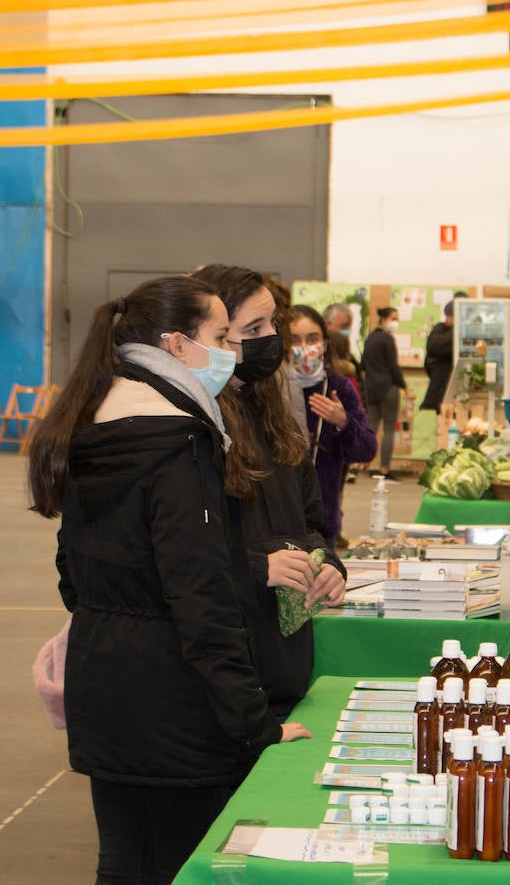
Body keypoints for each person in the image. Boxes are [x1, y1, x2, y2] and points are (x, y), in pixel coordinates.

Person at [26, 276, 311, 883]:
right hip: (175, 701)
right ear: (177, 346)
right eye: (221, 337)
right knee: (182, 863)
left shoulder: (94, 423)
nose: (233, 352)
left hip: (105, 683)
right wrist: (254, 724)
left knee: (127, 859)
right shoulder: (178, 441)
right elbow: (202, 604)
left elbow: (72, 574)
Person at [191, 265, 349, 718]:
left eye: (273, 324)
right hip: (229, 674)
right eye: (253, 328)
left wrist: (329, 566)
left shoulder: (273, 415)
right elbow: (182, 558)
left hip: (284, 669)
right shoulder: (195, 428)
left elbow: (311, 522)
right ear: (213, 337)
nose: (272, 338)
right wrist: (259, 566)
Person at [287, 304, 378, 547]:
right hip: (278, 524)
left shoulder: (339, 386)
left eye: (312, 339)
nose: (305, 348)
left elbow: (367, 449)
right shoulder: (271, 388)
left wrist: (343, 423)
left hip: (323, 523)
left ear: (325, 344)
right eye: (295, 340)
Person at [360, 305, 409, 480]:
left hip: (371, 388)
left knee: (371, 428)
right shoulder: (387, 339)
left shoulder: (370, 338)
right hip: (388, 388)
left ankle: (359, 464)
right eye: (394, 318)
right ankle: (384, 469)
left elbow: (363, 364)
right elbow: (393, 366)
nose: (396, 322)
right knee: (389, 429)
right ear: (384, 319)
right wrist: (403, 384)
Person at [420, 300, 455, 412]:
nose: (447, 320)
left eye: (450, 316)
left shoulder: (442, 333)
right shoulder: (441, 330)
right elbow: (431, 352)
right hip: (441, 390)